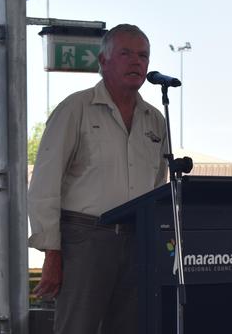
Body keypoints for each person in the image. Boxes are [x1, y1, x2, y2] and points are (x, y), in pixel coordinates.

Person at [28, 24, 168, 334]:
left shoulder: (156, 120)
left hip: (137, 241)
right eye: (126, 53)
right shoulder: (75, 109)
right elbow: (44, 184)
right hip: (85, 239)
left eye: (143, 55)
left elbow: (159, 185)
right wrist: (52, 252)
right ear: (102, 61)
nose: (136, 62)